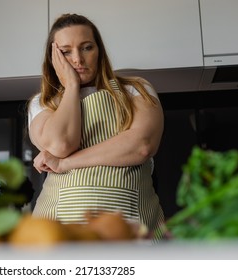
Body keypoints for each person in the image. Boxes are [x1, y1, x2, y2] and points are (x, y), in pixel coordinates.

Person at [27, 13, 165, 240]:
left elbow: (141, 145)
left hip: (130, 225)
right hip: (58, 230)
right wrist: (71, 86)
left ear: (99, 50)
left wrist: (66, 163)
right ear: (53, 58)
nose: (78, 60)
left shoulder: (136, 89)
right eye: (66, 52)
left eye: (87, 47)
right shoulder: (42, 103)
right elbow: (61, 143)